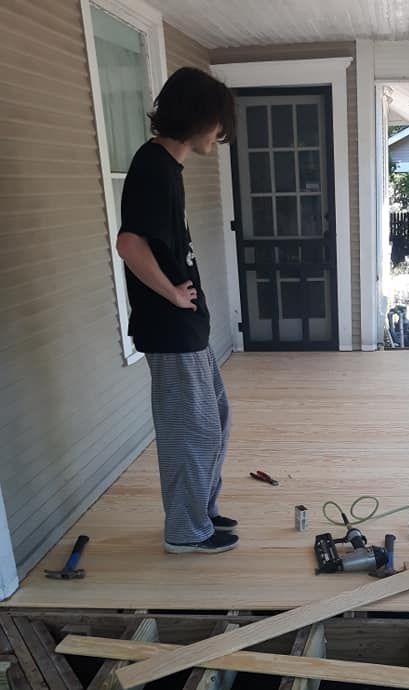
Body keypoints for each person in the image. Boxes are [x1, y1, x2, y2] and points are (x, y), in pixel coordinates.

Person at [117, 67, 238, 555]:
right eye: (217, 122)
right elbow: (129, 244)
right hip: (170, 329)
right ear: (197, 118)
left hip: (187, 328)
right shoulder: (152, 167)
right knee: (190, 431)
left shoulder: (167, 167)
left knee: (215, 419)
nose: (220, 133)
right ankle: (186, 532)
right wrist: (170, 294)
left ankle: (201, 512)